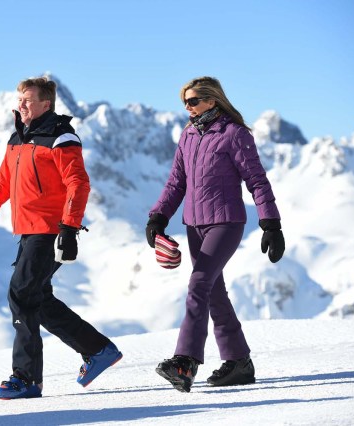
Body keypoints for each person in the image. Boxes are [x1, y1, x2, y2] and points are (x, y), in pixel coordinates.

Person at [0, 76, 122, 400]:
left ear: (45, 104)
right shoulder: (18, 138)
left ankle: (26, 379)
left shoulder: (60, 137)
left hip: (49, 230)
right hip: (28, 230)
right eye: (19, 99)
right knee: (38, 300)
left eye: (27, 100)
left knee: (21, 294)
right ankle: (98, 350)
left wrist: (68, 229)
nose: (20, 105)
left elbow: (78, 184)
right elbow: (2, 181)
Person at [146, 76, 285, 393]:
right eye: (185, 102)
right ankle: (239, 362)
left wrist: (271, 223)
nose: (188, 107)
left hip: (225, 222)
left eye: (193, 101)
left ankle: (185, 362)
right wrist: (158, 217)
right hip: (194, 224)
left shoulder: (234, 134)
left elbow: (257, 182)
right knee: (214, 293)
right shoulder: (188, 137)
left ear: (213, 100)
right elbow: (176, 184)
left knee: (199, 284)